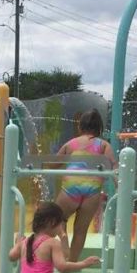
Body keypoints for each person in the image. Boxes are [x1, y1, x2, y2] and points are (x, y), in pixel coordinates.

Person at [54, 109, 115, 260]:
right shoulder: (103, 145)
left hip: (71, 187)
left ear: (80, 127)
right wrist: (120, 184)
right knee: (81, 231)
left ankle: (62, 237)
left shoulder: (71, 144)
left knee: (57, 218)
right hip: (92, 190)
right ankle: (73, 262)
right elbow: (114, 166)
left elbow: (53, 164)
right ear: (100, 128)